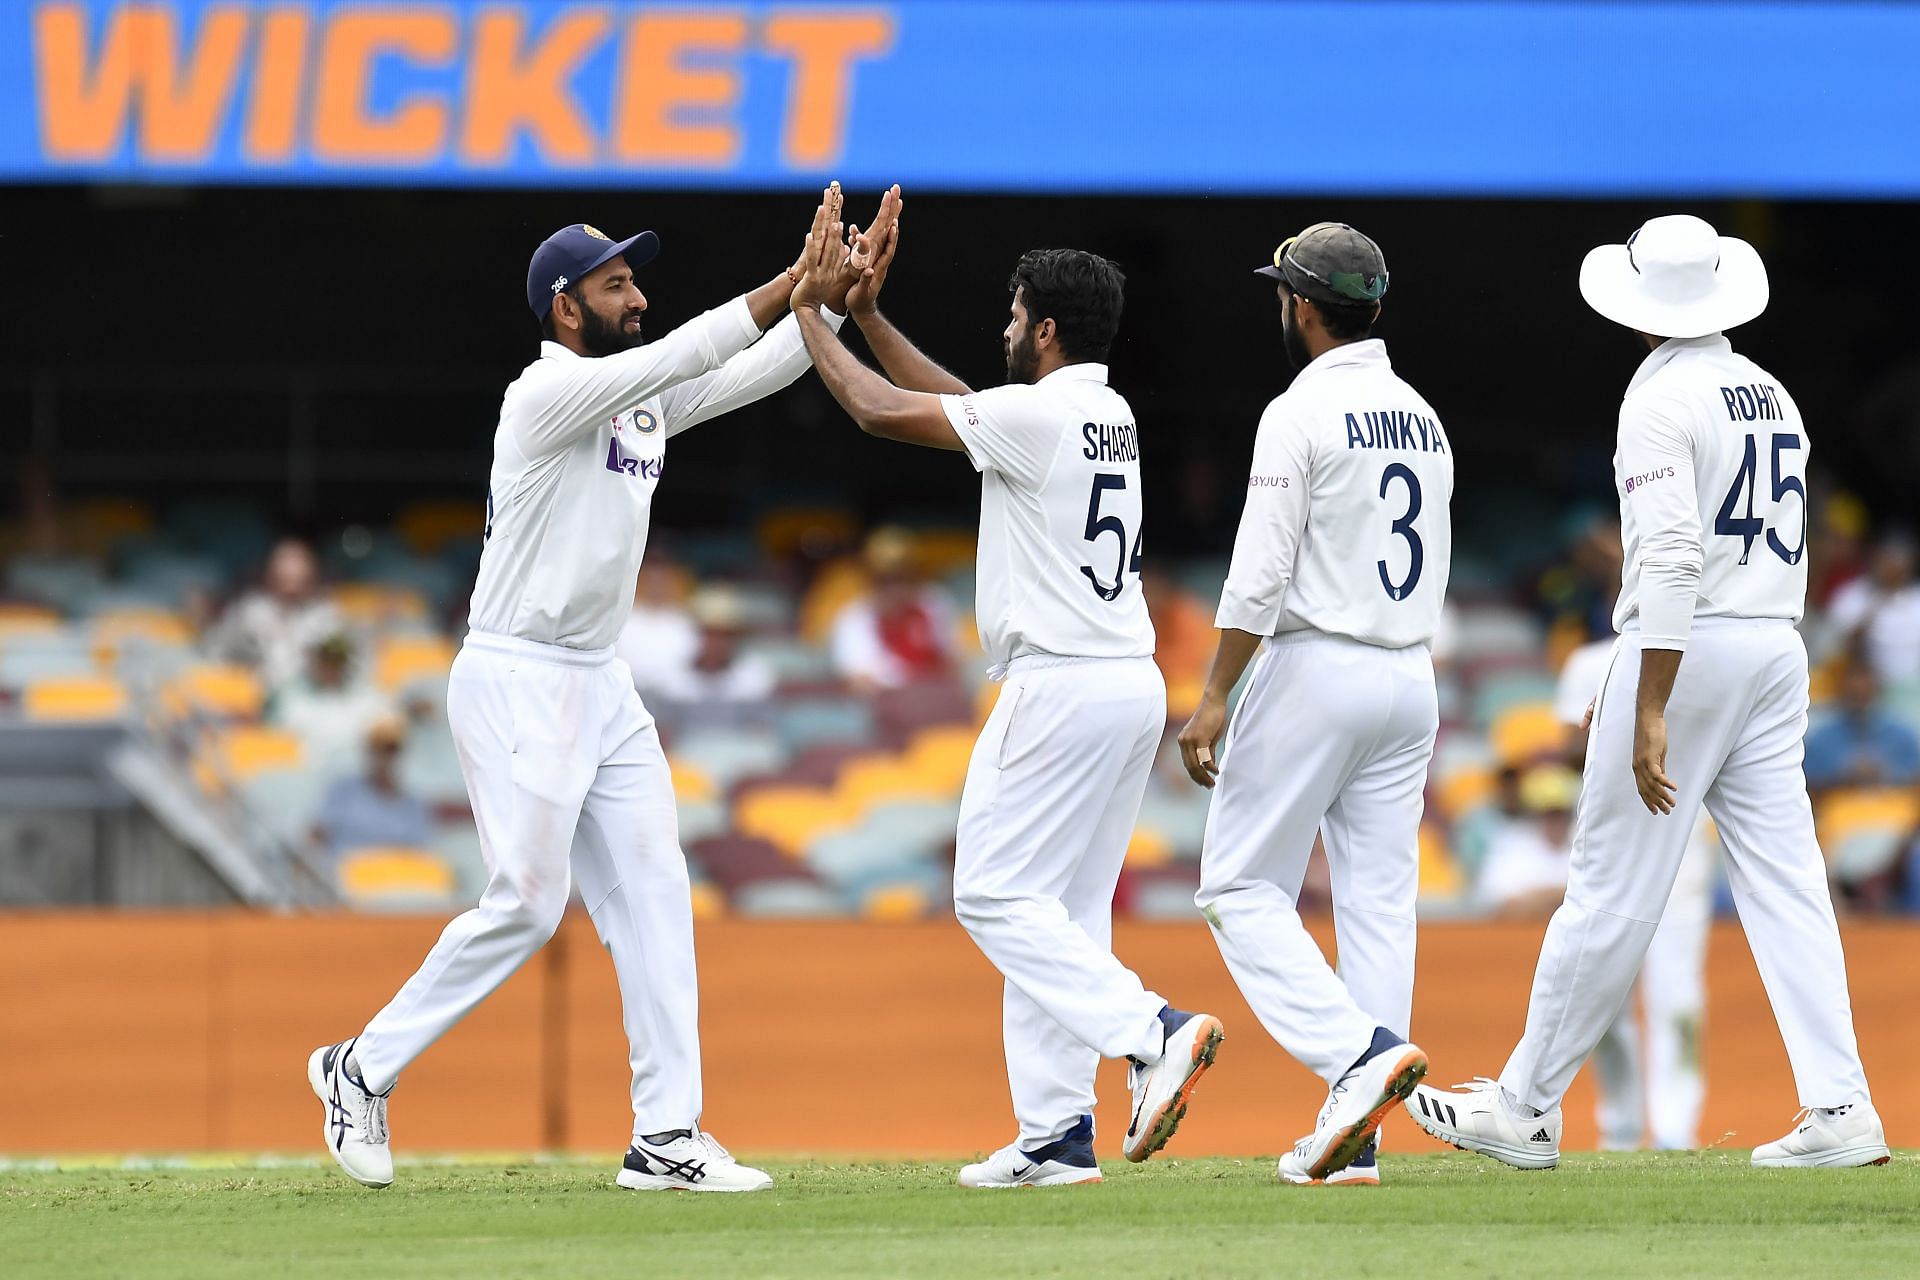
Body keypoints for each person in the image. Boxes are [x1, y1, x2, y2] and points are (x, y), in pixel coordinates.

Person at [307, 187, 857, 1194]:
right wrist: (794, 285)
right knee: (526, 899)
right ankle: (360, 1066)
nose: (637, 295)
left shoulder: (633, 396)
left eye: (636, 279)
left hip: (600, 678)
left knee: (654, 891)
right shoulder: (542, 394)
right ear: (567, 306)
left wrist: (840, 300)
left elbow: (739, 372)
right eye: (617, 284)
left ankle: (667, 1134)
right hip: (516, 672)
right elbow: (688, 351)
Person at [1409, 214, 1885, 1170]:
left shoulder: (1660, 396)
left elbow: (1668, 555)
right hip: (1772, 645)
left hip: (1693, 644)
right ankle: (1842, 1107)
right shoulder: (1768, 391)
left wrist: (1652, 702)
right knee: (1788, 886)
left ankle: (1527, 1106)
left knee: (1611, 888)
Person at [789, 186, 1223, 1188]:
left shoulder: (1042, 417)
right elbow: (955, 400)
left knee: (989, 892)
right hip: (1125, 680)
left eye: (1014, 315)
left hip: (1061, 684)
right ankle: (1055, 1132)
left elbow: (879, 409)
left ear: (1049, 328)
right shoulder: (1100, 411)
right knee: (1058, 910)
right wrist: (865, 313)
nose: (1004, 329)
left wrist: (805, 306)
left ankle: (1153, 1032)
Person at [1176, 222, 1451, 1186]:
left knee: (1239, 888)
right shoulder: (1423, 414)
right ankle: (1358, 1138)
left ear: (1299, 306)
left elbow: (1258, 575)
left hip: (1317, 663)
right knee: (1379, 902)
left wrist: (1216, 695)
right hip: (1408, 670)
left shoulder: (1296, 411)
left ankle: (1356, 1061)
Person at [1556, 632, 1716, 1151]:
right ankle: (1620, 1126)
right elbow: (1566, 749)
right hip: (1611, 831)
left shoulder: (1704, 651)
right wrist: (1614, 719)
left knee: (1678, 993)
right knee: (1605, 988)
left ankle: (1676, 1128)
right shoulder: (1589, 659)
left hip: (1683, 836)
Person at [828, 528, 958, 693]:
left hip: (934, 697)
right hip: (887, 707)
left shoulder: (934, 603)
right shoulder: (854, 619)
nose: (896, 589)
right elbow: (859, 685)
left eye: (902, 578)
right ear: (871, 581)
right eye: (886, 581)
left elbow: (952, 663)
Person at [209, 536, 343, 693]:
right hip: (255, 698)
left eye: (298, 562)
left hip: (311, 699)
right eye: (284, 563)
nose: (290, 570)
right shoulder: (250, 609)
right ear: (270, 571)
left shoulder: (326, 615)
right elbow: (217, 653)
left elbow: (340, 668)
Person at [652, 586, 778, 730]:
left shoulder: (755, 676)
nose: (717, 642)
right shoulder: (672, 678)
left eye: (726, 635)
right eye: (710, 633)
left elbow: (760, 733)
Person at [273, 633, 396, 781]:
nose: (331, 667)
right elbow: (282, 745)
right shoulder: (294, 699)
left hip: (362, 777)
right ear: (315, 662)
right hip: (313, 778)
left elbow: (388, 731)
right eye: (326, 660)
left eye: (337, 661)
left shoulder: (368, 697)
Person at [313, 716, 434, 860]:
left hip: (395, 877)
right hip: (345, 875)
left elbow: (419, 853)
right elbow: (318, 835)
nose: (384, 757)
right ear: (368, 751)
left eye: (391, 749)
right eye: (378, 749)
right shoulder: (343, 791)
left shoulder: (414, 805)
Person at [1803, 656, 1920, 792]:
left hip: (1895, 809)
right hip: (1838, 809)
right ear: (1842, 692)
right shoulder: (1821, 739)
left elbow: (1914, 777)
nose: (1860, 702)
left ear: (1877, 690)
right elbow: (1808, 783)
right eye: (1854, 694)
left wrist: (1886, 773)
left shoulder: (1902, 735)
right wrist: (1843, 775)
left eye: (1865, 694)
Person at [1825, 532, 1920, 686]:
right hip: (1864, 689)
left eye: (1898, 559)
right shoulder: (1851, 595)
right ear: (1875, 558)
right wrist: (1879, 599)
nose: (1892, 566)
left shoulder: (1917, 598)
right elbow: (1836, 650)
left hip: (1913, 690)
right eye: (1887, 557)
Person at [611, 556, 699, 701]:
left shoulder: (683, 621)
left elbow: (690, 660)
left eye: (662, 580)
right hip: (626, 693)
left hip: (674, 697)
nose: (656, 585)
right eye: (651, 579)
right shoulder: (625, 617)